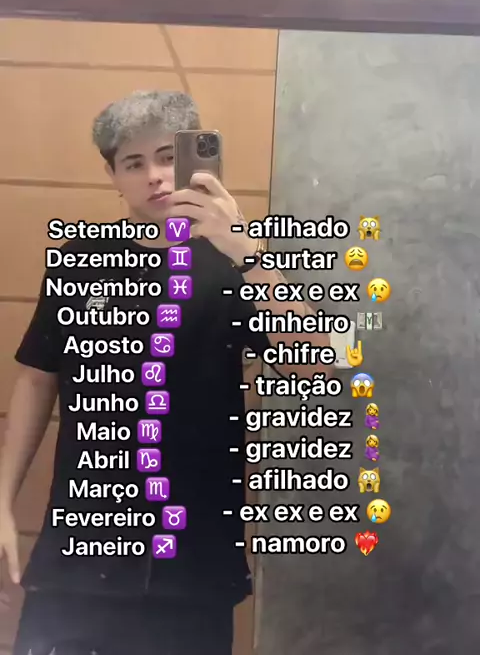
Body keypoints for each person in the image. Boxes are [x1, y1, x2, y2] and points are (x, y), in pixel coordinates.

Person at [0, 91, 330, 655]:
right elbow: (37, 377)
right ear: (113, 177)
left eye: (167, 157)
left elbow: (314, 358)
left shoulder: (234, 263)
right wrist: (4, 500)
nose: (154, 176)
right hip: (80, 555)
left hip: (193, 561)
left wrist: (246, 251)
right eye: (133, 163)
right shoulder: (81, 261)